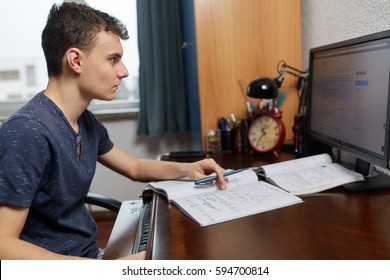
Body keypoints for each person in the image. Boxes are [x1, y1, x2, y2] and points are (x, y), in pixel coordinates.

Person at [0, 2, 228, 260]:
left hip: (88, 257)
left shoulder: (84, 121)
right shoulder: (27, 132)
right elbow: (4, 246)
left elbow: (135, 168)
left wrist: (189, 169)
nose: (124, 71)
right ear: (75, 60)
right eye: (113, 59)